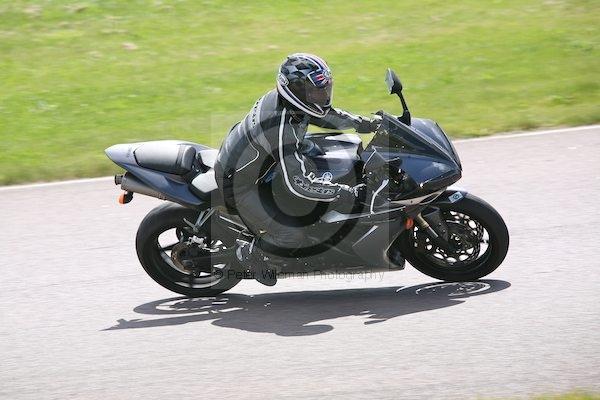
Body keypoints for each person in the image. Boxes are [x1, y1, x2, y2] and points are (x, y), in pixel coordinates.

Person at [214, 53, 380, 286]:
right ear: (295, 90)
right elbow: (298, 183)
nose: (322, 96)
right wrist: (344, 193)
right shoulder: (280, 129)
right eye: (315, 92)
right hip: (239, 185)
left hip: (258, 160)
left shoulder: (290, 103)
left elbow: (326, 117)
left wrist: (365, 124)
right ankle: (249, 251)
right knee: (291, 235)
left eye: (324, 89)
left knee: (335, 153)